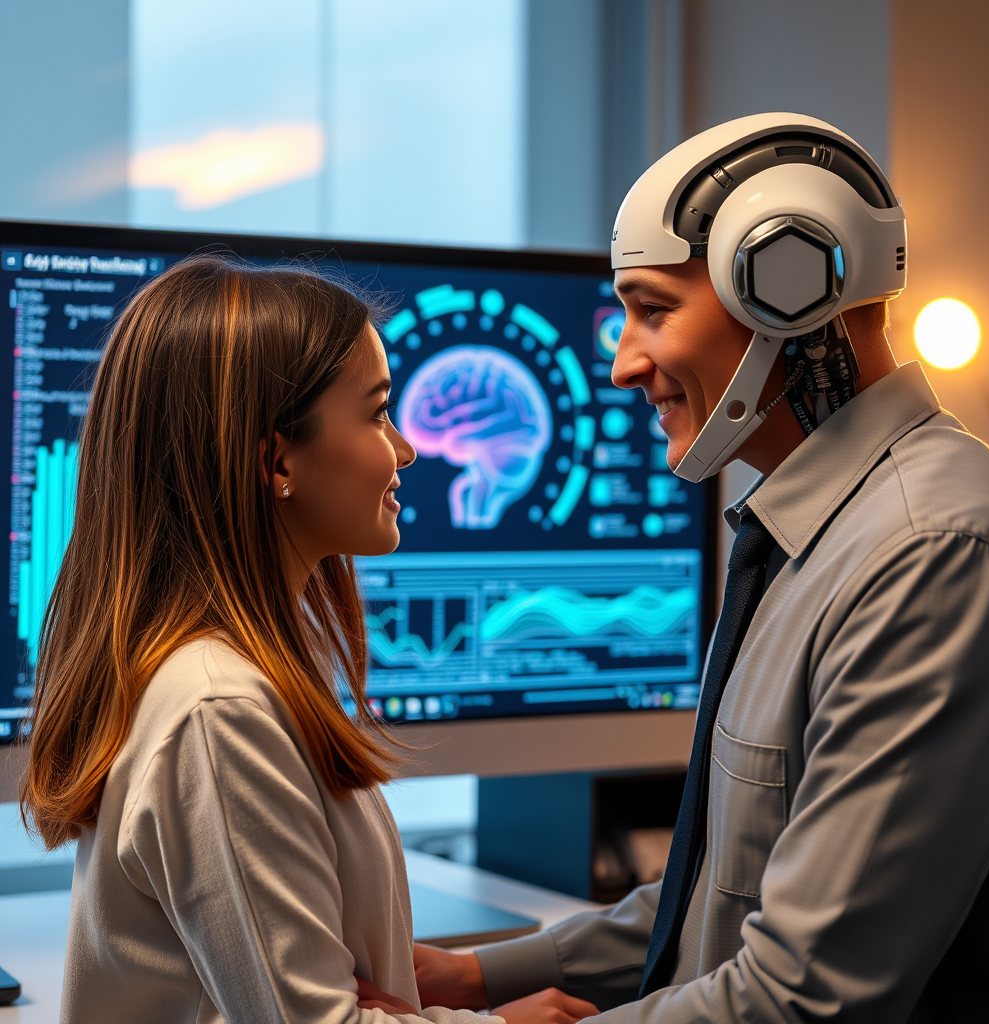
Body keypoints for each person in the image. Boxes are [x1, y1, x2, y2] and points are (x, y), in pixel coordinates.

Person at [411, 114, 989, 1022]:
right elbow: (726, 886)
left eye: (653, 310)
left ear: (791, 291)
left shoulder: (926, 553)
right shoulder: (811, 527)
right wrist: (476, 978)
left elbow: (801, 996)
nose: (623, 364)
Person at [21, 257, 600, 1024]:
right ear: (279, 459)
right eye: (375, 414)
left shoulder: (232, 679)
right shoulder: (218, 711)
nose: (407, 449)